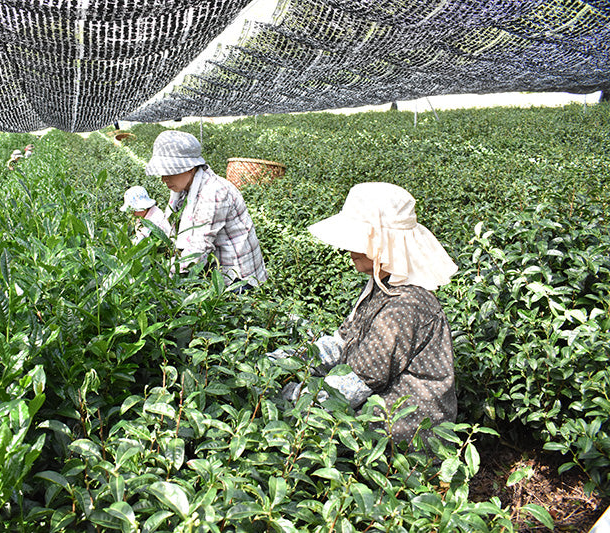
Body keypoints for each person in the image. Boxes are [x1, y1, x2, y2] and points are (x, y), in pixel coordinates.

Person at [278, 182, 458, 447]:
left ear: (384, 244)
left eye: (358, 240)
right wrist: (285, 361)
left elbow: (354, 385)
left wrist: (289, 395)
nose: (348, 249)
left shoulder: (405, 306)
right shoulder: (383, 285)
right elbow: (341, 341)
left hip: (403, 440)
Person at [144, 130, 267, 289]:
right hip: (217, 268)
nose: (163, 179)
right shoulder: (184, 190)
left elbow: (199, 248)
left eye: (170, 172)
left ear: (189, 167)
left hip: (239, 277)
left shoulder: (213, 193)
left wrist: (160, 277)